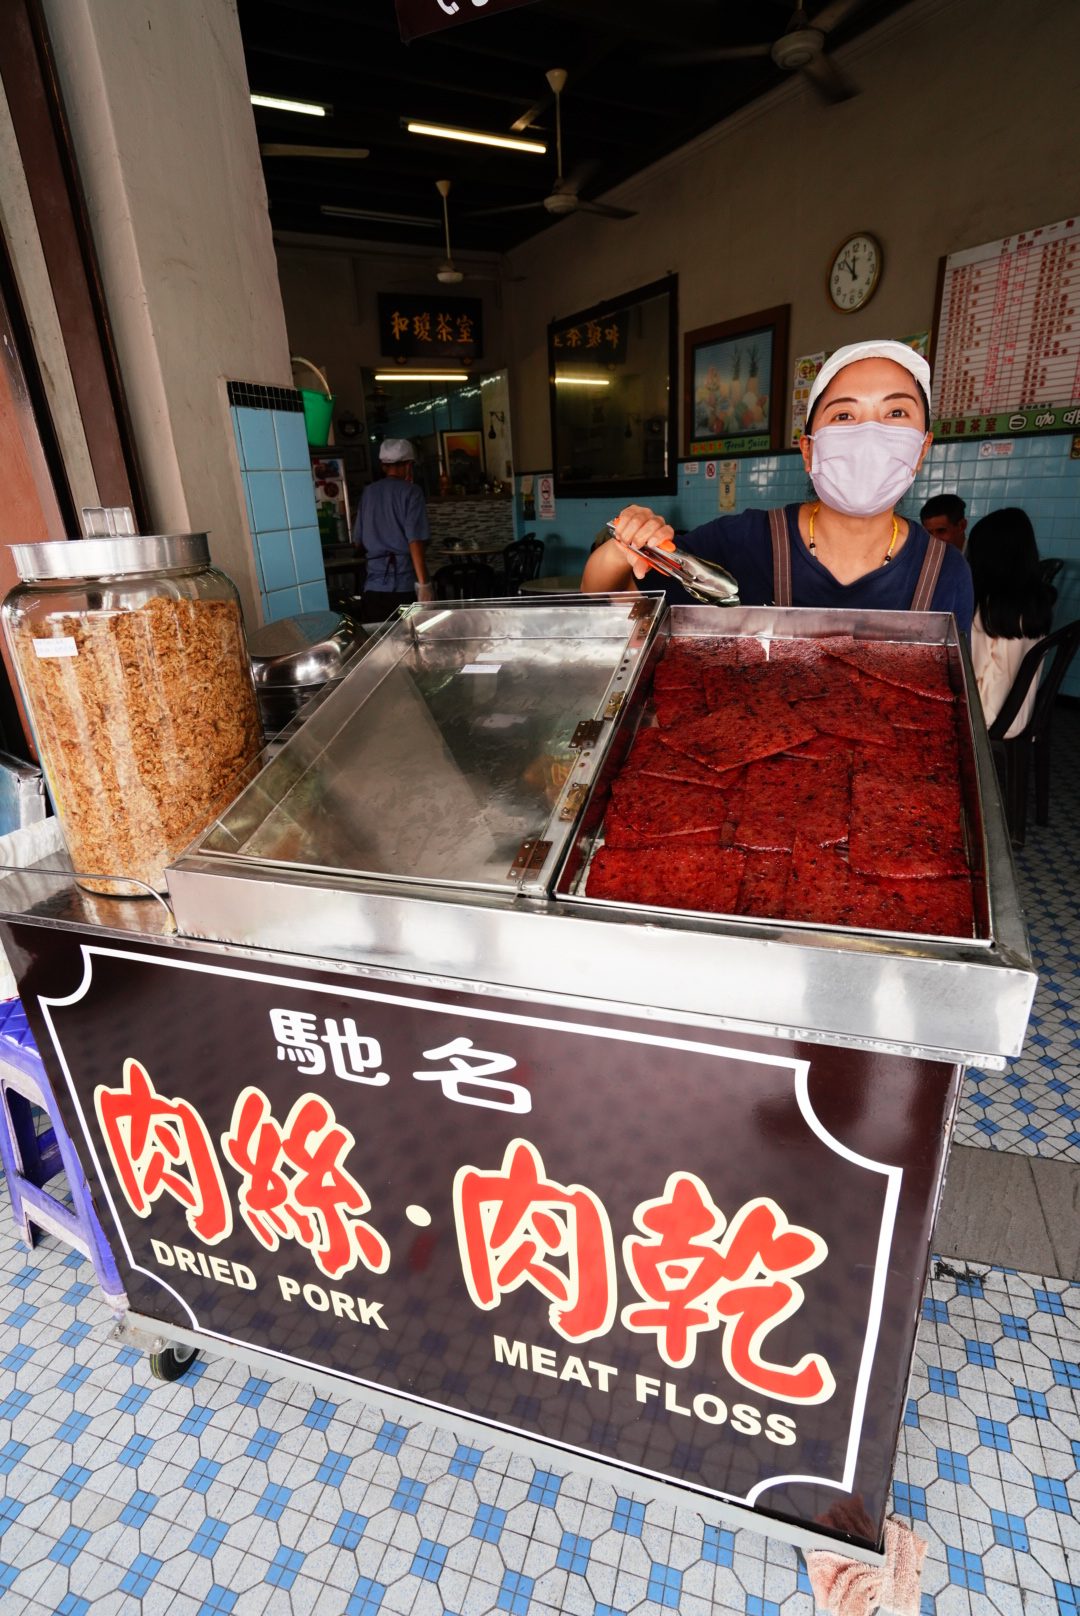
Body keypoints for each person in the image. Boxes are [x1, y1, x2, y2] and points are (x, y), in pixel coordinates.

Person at [582, 339, 974, 633]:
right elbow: (614, 604)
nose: (869, 432)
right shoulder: (743, 543)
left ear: (922, 448)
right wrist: (623, 547)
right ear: (808, 450)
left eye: (896, 412)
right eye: (843, 415)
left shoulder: (943, 572)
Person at [967, 508, 1056, 738]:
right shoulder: (1037, 601)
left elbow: (969, 671)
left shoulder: (987, 610)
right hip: (1020, 715)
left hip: (986, 717)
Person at [354, 439, 433, 621]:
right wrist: (424, 585)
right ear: (408, 465)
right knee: (409, 638)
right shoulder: (412, 492)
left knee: (380, 642)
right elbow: (415, 540)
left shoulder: (368, 492)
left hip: (372, 590)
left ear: (383, 466)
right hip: (403, 589)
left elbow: (358, 541)